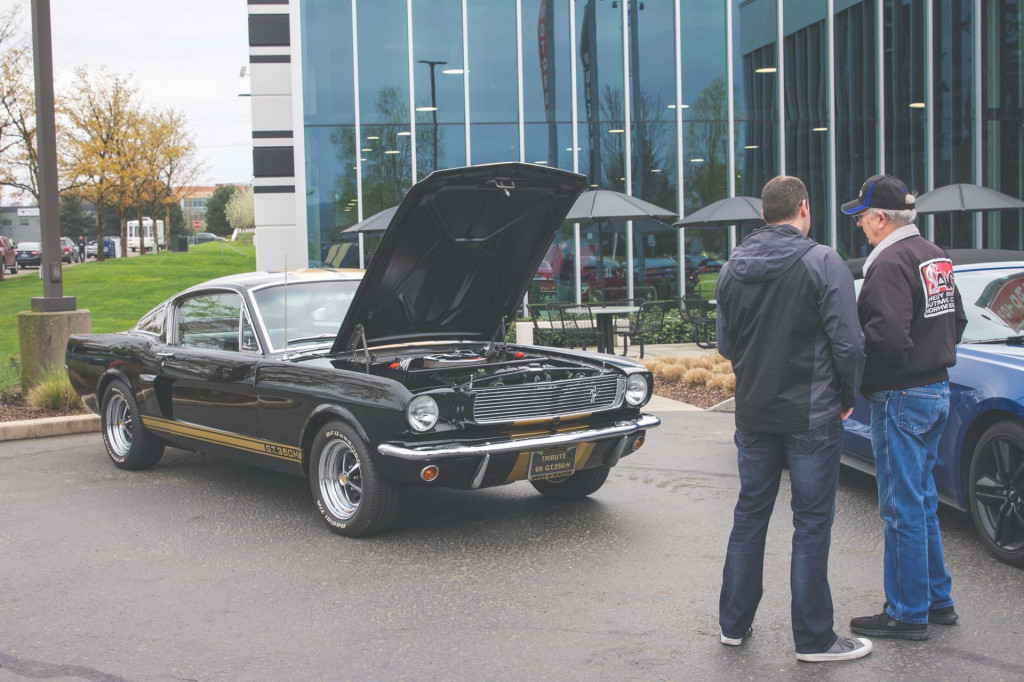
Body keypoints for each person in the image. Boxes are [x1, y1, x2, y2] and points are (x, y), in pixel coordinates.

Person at [715, 176, 871, 663]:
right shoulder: (823, 261)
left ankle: (733, 625)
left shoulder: (731, 268)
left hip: (754, 412)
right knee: (811, 523)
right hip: (812, 412)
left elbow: (726, 346)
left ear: (764, 214)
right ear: (804, 207)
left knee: (750, 515)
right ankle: (814, 639)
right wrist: (848, 394)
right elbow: (849, 343)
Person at [841, 174, 967, 640]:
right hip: (935, 389)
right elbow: (957, 320)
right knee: (922, 501)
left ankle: (907, 612)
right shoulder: (934, 255)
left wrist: (861, 384)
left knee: (901, 508)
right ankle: (936, 600)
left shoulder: (890, 262)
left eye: (861, 217)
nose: (859, 225)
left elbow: (887, 338)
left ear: (880, 218)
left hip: (900, 394)